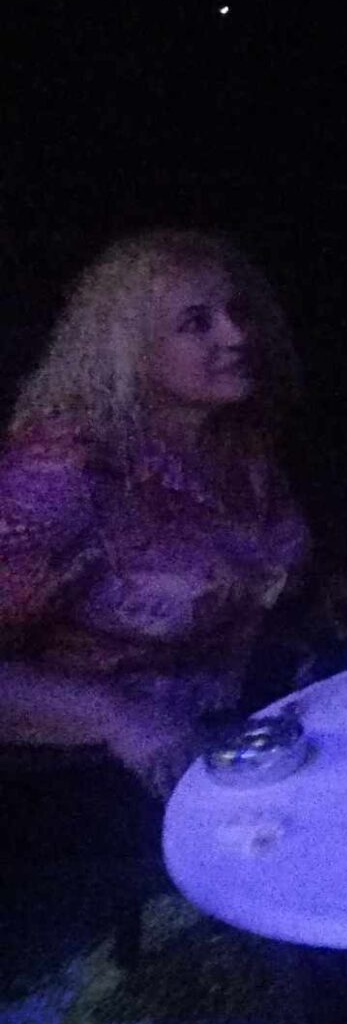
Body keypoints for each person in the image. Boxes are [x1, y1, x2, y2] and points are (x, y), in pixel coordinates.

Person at [1, 230, 308, 847]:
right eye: (197, 323)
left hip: (232, 744)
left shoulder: (232, 440)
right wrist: (111, 714)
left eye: (237, 311)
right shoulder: (62, 475)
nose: (236, 335)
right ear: (130, 348)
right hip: (92, 790)